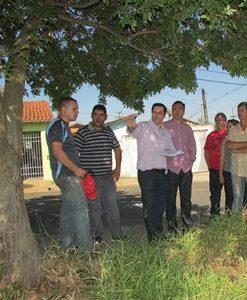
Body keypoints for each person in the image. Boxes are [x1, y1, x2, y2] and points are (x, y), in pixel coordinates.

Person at [45, 97, 93, 252]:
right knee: (81, 210)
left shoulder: (63, 126)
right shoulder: (57, 125)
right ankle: (86, 252)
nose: (78, 112)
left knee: (68, 211)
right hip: (68, 175)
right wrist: (76, 169)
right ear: (64, 109)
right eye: (75, 109)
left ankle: (65, 248)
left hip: (68, 174)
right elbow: (57, 151)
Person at [125, 103, 177, 242]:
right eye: (154, 112)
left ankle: (158, 233)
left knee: (160, 205)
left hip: (162, 173)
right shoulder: (143, 126)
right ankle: (153, 237)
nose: (156, 115)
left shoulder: (166, 132)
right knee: (149, 205)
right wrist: (130, 126)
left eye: (160, 112)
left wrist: (171, 152)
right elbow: (132, 131)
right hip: (147, 173)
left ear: (164, 115)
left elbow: (171, 148)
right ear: (151, 113)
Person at [74, 104, 124, 243]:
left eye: (101, 115)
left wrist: (118, 168)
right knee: (94, 208)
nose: (98, 117)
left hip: (108, 177)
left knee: (112, 206)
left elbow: (117, 149)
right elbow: (73, 153)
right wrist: (79, 170)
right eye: (95, 114)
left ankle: (117, 234)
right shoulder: (83, 132)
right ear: (91, 115)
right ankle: (97, 235)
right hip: (91, 179)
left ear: (106, 117)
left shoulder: (109, 132)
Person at [163, 101, 196, 232]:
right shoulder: (165, 127)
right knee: (170, 199)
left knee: (186, 199)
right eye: (175, 108)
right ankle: (172, 226)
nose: (177, 111)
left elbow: (192, 145)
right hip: (171, 168)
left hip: (186, 168)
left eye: (180, 109)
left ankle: (187, 224)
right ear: (172, 111)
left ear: (184, 111)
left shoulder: (188, 128)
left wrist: (191, 159)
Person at [219, 119, 247, 211]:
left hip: (242, 172)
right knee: (230, 197)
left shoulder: (243, 139)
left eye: (230, 126)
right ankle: (230, 220)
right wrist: (221, 174)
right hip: (228, 172)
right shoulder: (225, 141)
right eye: (227, 127)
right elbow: (222, 158)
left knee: (244, 196)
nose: (228, 128)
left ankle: (246, 219)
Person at [204, 113, 228, 215]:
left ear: (225, 122)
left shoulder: (229, 134)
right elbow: (207, 151)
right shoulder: (211, 135)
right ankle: (215, 216)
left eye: (222, 120)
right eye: (217, 120)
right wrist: (209, 164)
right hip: (214, 169)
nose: (220, 122)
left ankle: (229, 216)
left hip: (227, 169)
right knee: (215, 194)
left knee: (230, 195)